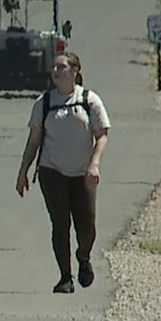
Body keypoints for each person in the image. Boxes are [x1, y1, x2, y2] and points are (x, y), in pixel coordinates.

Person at [15, 52, 111, 294]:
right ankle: (65, 277)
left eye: (62, 67)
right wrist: (23, 171)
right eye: (54, 67)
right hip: (51, 171)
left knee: (86, 226)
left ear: (75, 71)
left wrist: (95, 164)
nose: (56, 71)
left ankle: (84, 258)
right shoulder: (44, 103)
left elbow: (101, 136)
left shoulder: (89, 100)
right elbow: (33, 140)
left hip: (83, 174)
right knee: (60, 224)